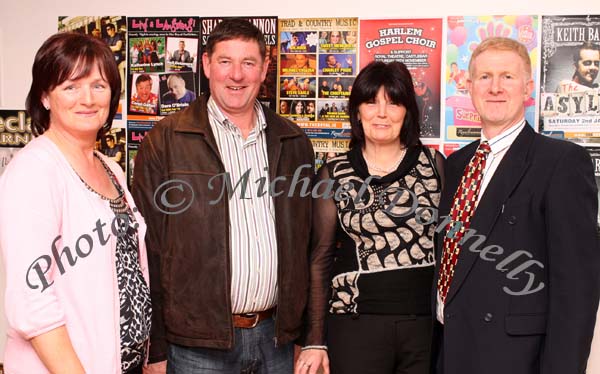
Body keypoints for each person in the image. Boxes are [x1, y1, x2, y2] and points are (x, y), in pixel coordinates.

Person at [132, 18, 314, 373]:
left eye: (248, 63)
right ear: (206, 65)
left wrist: (304, 335)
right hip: (195, 348)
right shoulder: (166, 141)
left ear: (264, 68)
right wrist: (155, 348)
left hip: (276, 341)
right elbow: (147, 251)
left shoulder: (294, 142)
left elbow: (307, 247)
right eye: (225, 62)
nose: (237, 75)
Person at [432, 37, 600, 374]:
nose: (495, 87)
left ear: (528, 87)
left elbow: (577, 289)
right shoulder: (456, 163)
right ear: (469, 86)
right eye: (485, 77)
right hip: (450, 349)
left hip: (514, 358)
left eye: (507, 77)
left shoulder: (562, 162)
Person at [0, 32, 150, 373]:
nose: (87, 98)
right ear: (45, 96)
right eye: (71, 86)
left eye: (99, 85)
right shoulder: (34, 171)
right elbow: (31, 301)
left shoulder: (110, 167)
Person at [296, 60, 444, 374]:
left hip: (424, 326)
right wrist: (315, 340)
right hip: (354, 323)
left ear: (407, 112)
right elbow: (321, 257)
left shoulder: (434, 165)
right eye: (371, 101)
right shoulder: (334, 173)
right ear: (357, 111)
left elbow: (450, 247)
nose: (381, 112)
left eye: (393, 102)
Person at [104, 23, 125, 94]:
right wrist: (112, 48)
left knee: (117, 71)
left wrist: (109, 48)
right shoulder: (107, 39)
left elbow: (118, 47)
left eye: (108, 29)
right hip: (111, 57)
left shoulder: (118, 36)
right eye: (106, 30)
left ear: (113, 29)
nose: (107, 31)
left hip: (118, 57)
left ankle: (120, 89)